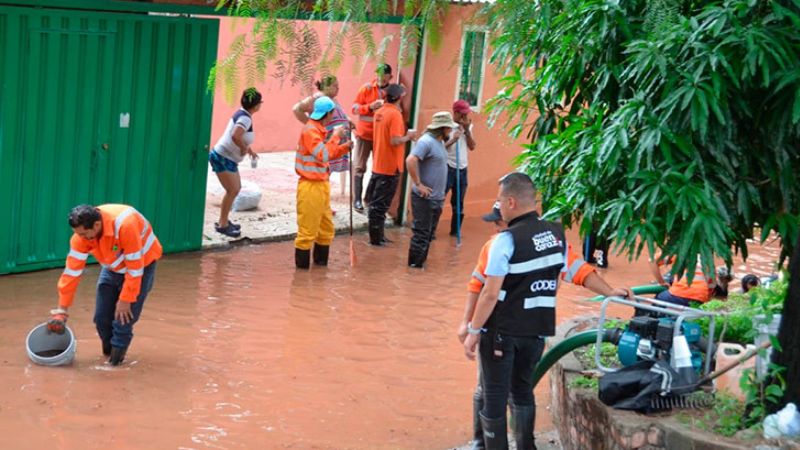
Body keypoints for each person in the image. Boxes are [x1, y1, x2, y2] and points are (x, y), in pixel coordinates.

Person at [462, 173, 631, 450]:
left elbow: (490, 293)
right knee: (522, 393)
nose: (499, 208)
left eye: (501, 201)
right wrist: (610, 292)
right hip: (536, 332)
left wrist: (473, 330)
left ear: (512, 202)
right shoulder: (556, 235)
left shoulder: (505, 241)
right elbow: (580, 272)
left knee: (494, 396)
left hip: (502, 333)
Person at [48, 204, 162, 366]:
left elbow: (135, 269)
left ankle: (115, 366)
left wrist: (126, 299)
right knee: (101, 319)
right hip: (112, 267)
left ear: (96, 225)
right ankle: (108, 356)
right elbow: (71, 273)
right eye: (77, 234)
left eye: (84, 234)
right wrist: (62, 310)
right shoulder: (81, 237)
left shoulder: (125, 226)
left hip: (142, 266)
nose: (81, 238)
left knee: (122, 320)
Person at [294, 96, 353, 269]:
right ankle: (302, 278)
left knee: (326, 230)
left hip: (321, 185)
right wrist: (336, 137)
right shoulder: (311, 131)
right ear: (328, 114)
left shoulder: (318, 129)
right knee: (307, 232)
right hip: (310, 187)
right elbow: (323, 155)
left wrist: (344, 148)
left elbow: (325, 155)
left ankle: (319, 270)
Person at [209, 88, 263, 238]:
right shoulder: (245, 118)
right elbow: (235, 135)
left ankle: (224, 220)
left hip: (228, 158)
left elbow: (240, 136)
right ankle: (222, 224)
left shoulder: (242, 114)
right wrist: (244, 148)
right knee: (232, 190)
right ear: (256, 105)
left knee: (235, 189)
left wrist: (249, 150)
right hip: (223, 157)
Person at [367, 83, 416, 246]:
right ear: (400, 97)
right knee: (380, 205)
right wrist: (408, 137)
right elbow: (394, 140)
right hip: (390, 166)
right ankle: (376, 239)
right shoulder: (395, 115)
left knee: (376, 204)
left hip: (379, 164)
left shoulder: (379, 112)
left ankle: (378, 236)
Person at [406, 111, 457, 268]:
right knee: (421, 235)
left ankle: (419, 269)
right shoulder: (426, 142)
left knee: (427, 235)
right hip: (424, 198)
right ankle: (414, 268)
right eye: (449, 128)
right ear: (442, 128)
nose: (451, 130)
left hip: (435, 199)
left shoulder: (439, 142)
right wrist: (418, 184)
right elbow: (411, 159)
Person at [292, 75, 352, 196]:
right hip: (324, 140)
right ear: (326, 86)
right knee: (322, 166)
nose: (338, 88)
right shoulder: (317, 98)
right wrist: (312, 125)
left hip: (334, 140)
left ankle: (324, 201)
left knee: (325, 169)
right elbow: (296, 109)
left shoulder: (332, 99)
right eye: (335, 86)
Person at [351, 63, 393, 212]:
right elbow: (354, 108)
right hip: (364, 134)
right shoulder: (367, 88)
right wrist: (369, 107)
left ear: (390, 76)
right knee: (359, 166)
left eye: (384, 74)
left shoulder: (392, 92)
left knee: (378, 167)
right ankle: (356, 200)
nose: (380, 76)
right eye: (378, 73)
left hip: (381, 136)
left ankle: (369, 197)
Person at [440, 99, 476, 238]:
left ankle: (455, 231)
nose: (464, 118)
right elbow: (440, 147)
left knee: (459, 203)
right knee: (439, 199)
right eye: (462, 114)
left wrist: (466, 130)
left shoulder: (468, 127)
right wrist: (453, 139)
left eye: (466, 114)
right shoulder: (446, 127)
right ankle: (430, 232)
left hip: (462, 169)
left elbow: (472, 147)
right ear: (455, 113)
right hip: (448, 167)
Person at [649, 254, 733, 305]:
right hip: (700, 298)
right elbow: (711, 287)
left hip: (679, 293)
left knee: (658, 299)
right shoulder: (707, 259)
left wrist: (661, 282)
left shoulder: (680, 250)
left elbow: (651, 260)